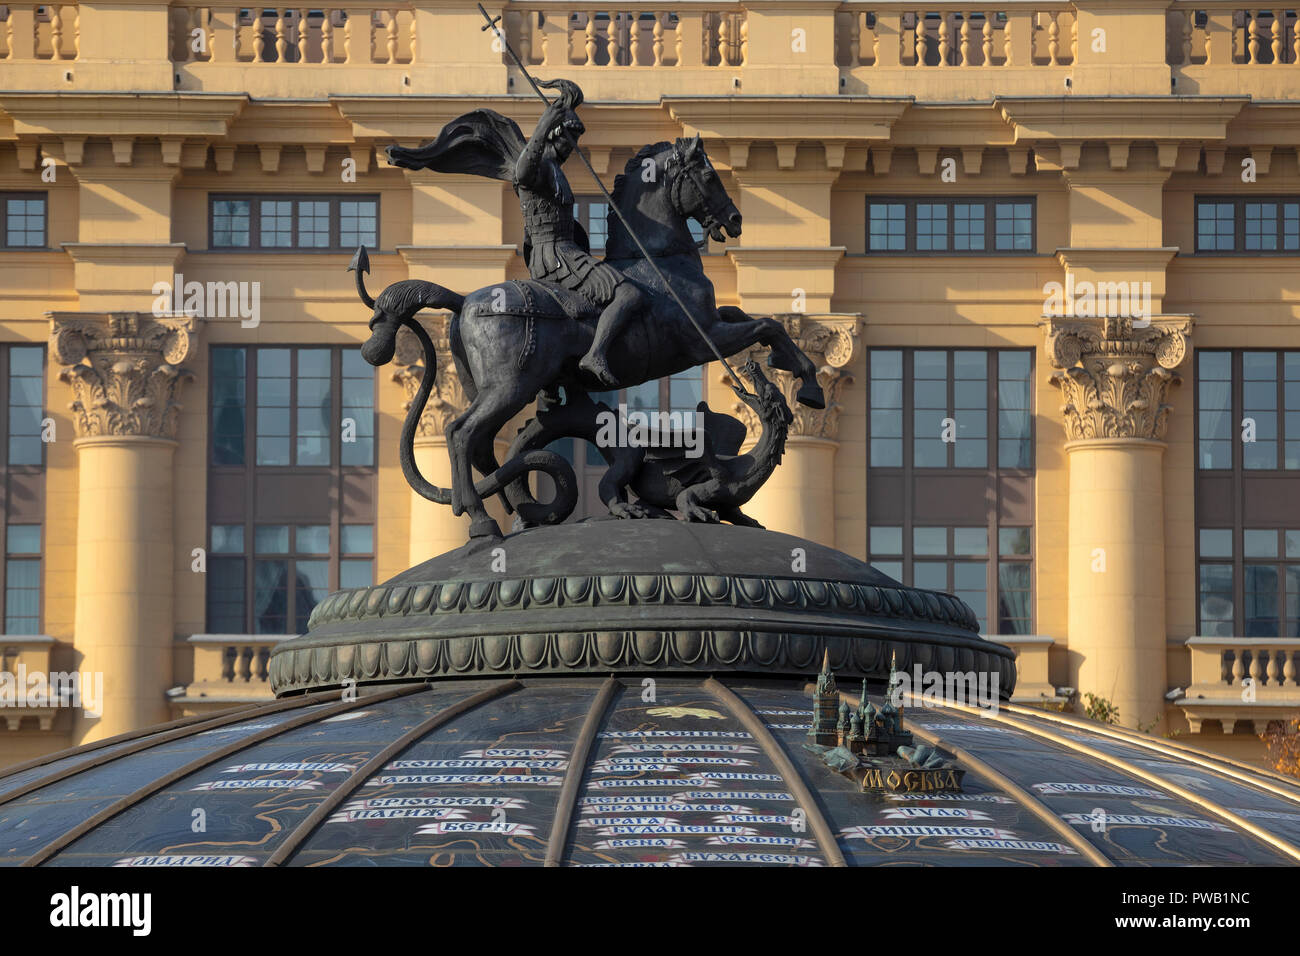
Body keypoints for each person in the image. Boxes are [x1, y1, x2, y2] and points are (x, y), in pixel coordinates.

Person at [513, 79, 647, 388]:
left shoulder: (554, 169)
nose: (570, 149)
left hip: (566, 251)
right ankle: (595, 354)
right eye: (568, 141)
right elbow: (521, 173)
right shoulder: (540, 167)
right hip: (557, 256)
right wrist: (543, 124)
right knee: (629, 294)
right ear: (554, 135)